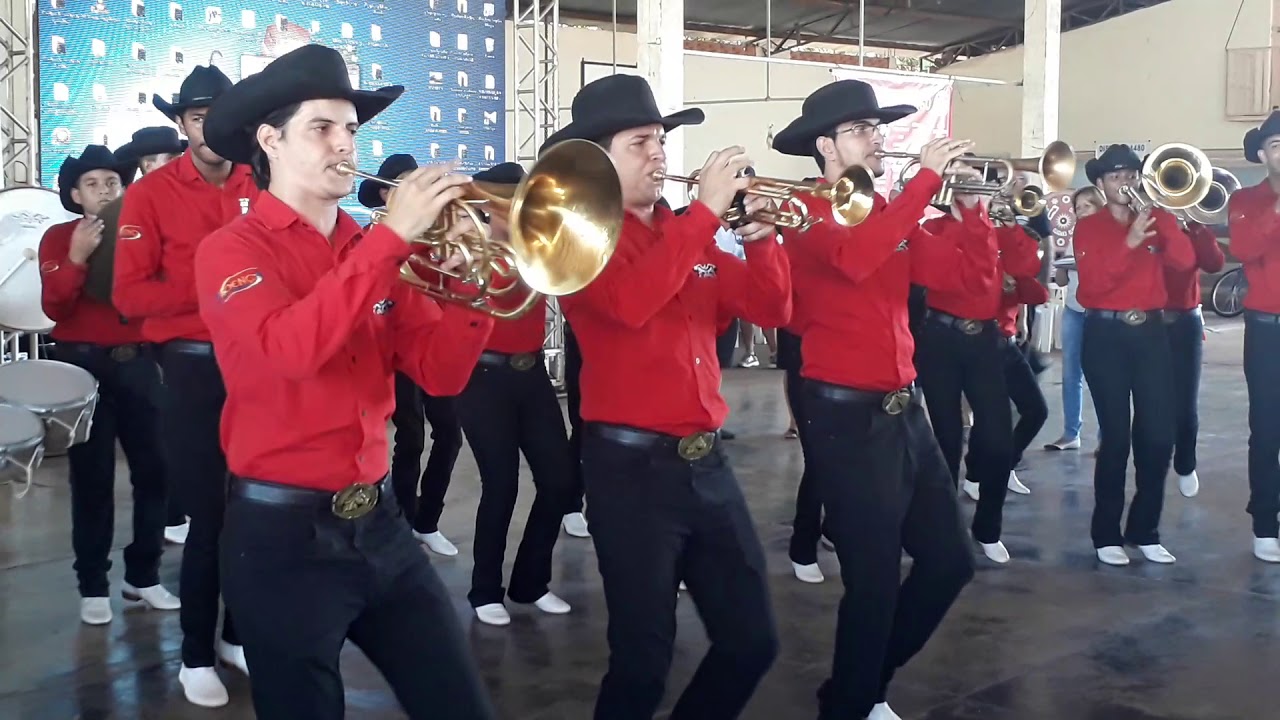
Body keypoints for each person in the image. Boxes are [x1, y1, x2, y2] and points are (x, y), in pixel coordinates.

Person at [195, 43, 497, 718]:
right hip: (282, 539)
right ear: (269, 140)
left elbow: (440, 375)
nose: (344, 145)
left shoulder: (370, 248)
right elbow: (290, 352)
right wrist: (391, 241)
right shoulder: (231, 250)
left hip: (381, 522)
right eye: (322, 128)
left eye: (351, 130)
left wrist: (470, 288)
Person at [551, 73, 786, 720]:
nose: (659, 153)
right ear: (597, 161)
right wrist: (704, 214)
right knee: (642, 661)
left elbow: (771, 309)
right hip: (630, 473)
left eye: (660, 139)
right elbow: (631, 304)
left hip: (707, 464)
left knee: (753, 642)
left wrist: (763, 239)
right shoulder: (574, 241)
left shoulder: (688, 235)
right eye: (640, 142)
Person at [772, 79, 979, 720]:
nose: (878, 138)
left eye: (877, 128)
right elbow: (856, 260)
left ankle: (861, 687)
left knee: (950, 563)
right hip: (841, 412)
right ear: (825, 146)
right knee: (873, 578)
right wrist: (922, 186)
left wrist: (972, 213)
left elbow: (958, 279)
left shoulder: (888, 209)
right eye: (862, 129)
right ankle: (854, 700)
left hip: (902, 405)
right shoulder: (803, 207)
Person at [112, 63, 257, 707]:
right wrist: (217, 287)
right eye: (199, 118)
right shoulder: (150, 194)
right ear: (182, 123)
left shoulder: (264, 182)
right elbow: (128, 295)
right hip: (193, 366)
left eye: (222, 117)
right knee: (211, 515)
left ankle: (236, 634)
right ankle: (195, 653)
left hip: (260, 362)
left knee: (257, 510)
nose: (212, 129)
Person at [38, 145, 180, 626]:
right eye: (93, 184)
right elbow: (55, 307)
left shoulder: (144, 233)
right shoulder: (58, 237)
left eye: (112, 183)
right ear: (75, 194)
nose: (104, 191)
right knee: (92, 478)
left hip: (140, 363)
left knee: (156, 472)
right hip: (83, 368)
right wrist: (77, 258)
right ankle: (93, 584)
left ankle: (143, 576)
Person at [455, 160, 576, 626]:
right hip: (482, 378)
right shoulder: (468, 249)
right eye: (510, 201)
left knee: (560, 481)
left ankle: (531, 582)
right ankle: (485, 590)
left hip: (531, 375)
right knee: (501, 485)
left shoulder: (542, 247)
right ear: (490, 205)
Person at [1074, 143, 1194, 567]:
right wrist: (1129, 242)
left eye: (1130, 175)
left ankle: (1145, 530)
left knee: (1159, 436)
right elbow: (1093, 285)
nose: (1124, 183)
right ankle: (1106, 533)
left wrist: (1164, 221)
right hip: (1105, 335)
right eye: (1115, 177)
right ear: (1101, 184)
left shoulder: (1157, 217)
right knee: (1116, 438)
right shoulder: (1089, 227)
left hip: (1151, 334)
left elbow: (1185, 262)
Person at [914, 161, 1027, 565]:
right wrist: (970, 219)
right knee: (945, 440)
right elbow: (960, 276)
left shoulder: (993, 226)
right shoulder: (932, 229)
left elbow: (1027, 269)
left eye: (976, 185)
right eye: (963, 184)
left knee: (998, 439)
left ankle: (988, 527)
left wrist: (999, 221)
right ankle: (942, 529)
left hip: (984, 339)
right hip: (940, 338)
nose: (972, 190)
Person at [357, 153, 466, 556]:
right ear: (386, 195)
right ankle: (402, 521)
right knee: (411, 438)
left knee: (450, 435)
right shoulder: (368, 240)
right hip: (393, 350)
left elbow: (450, 293)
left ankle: (427, 520)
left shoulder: (436, 238)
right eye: (404, 184)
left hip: (431, 345)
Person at [109, 125, 189, 543]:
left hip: (180, 338)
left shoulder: (195, 197)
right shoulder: (133, 206)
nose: (159, 167)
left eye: (167, 158)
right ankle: (173, 516)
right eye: (149, 160)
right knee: (165, 437)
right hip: (152, 343)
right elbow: (125, 291)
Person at [962, 220, 1050, 498]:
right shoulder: (986, 263)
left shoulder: (1016, 270)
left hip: (1008, 345)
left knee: (1036, 410)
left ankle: (1004, 466)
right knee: (990, 416)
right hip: (984, 345)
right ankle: (974, 476)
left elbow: (1039, 295)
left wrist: (1019, 282)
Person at [1229, 110, 1280, 563]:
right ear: (1262, 155)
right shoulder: (1245, 199)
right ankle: (1265, 523)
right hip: (1267, 329)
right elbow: (1244, 249)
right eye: (1277, 146)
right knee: (1266, 428)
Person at [1162, 207, 1223, 499]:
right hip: (1147, 320)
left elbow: (1214, 263)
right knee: (1150, 402)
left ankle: (1186, 464)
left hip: (1185, 321)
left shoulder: (1191, 229)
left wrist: (1196, 226)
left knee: (1186, 402)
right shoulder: (1145, 224)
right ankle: (1153, 464)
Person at [1045, 187, 1104, 451]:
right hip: (1073, 310)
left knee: (1102, 376)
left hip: (1099, 313)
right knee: (1071, 374)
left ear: (1100, 207)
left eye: (1086, 206)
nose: (1081, 212)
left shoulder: (1109, 236)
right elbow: (1062, 281)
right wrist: (1060, 266)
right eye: (1077, 208)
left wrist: (1081, 265)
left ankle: (1106, 436)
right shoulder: (1075, 236)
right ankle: (1071, 433)